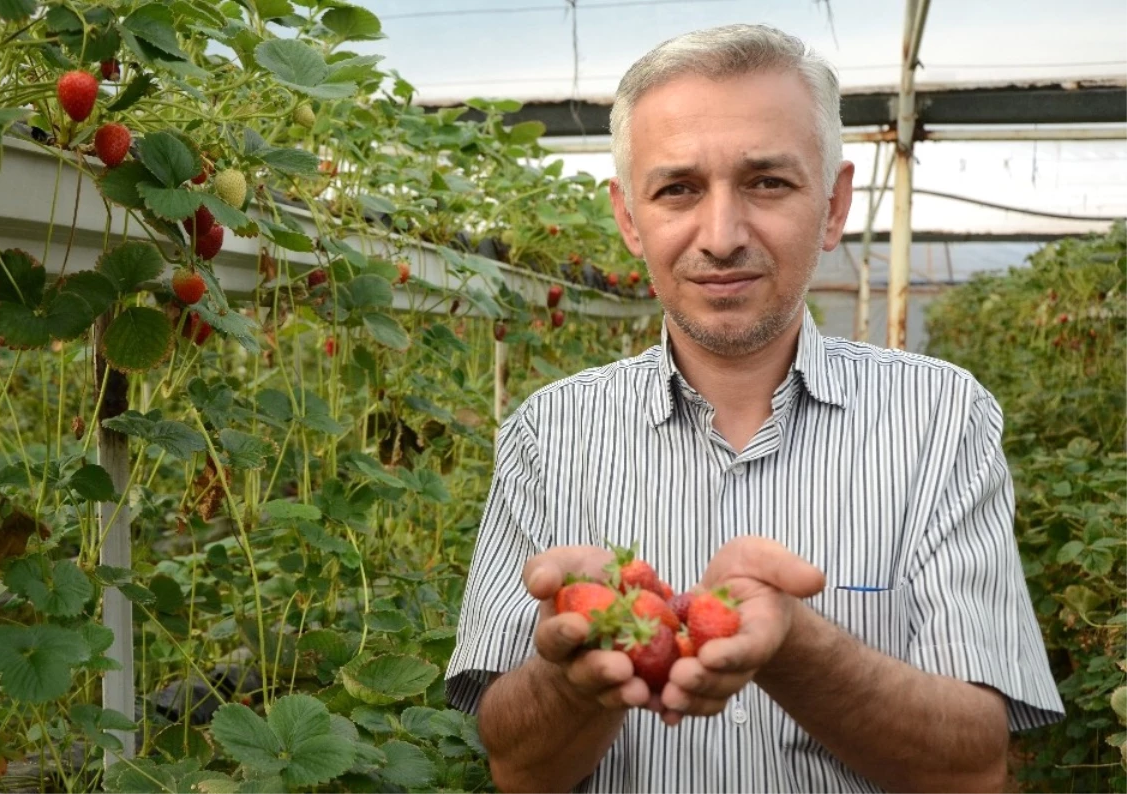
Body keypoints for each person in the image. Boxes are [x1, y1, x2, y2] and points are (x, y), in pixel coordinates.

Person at [444, 24, 1065, 794]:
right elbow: (517, 767)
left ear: (834, 203)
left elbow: (972, 767)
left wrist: (799, 647)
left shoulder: (941, 417)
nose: (722, 235)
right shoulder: (548, 434)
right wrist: (571, 678)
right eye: (677, 189)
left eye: (768, 182)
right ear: (630, 219)